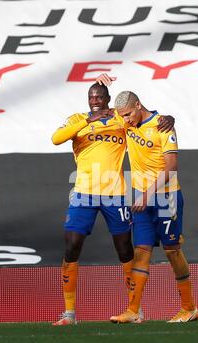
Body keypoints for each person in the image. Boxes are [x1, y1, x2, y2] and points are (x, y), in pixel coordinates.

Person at [51, 82, 175, 325]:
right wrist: (91, 119)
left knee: (125, 250)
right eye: (91, 97)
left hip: (114, 194)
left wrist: (169, 118)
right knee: (71, 246)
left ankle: (134, 309)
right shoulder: (77, 119)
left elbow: (144, 118)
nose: (94, 100)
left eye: (99, 97)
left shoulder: (120, 119)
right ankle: (69, 314)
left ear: (107, 98)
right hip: (83, 193)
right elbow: (56, 138)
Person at [104, 88, 198, 323]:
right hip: (142, 201)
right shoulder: (126, 121)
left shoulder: (163, 126)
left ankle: (189, 308)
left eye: (127, 114)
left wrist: (146, 195)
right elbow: (99, 110)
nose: (125, 120)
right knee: (141, 251)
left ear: (138, 105)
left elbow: (171, 167)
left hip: (166, 198)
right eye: (122, 116)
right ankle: (133, 311)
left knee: (171, 251)